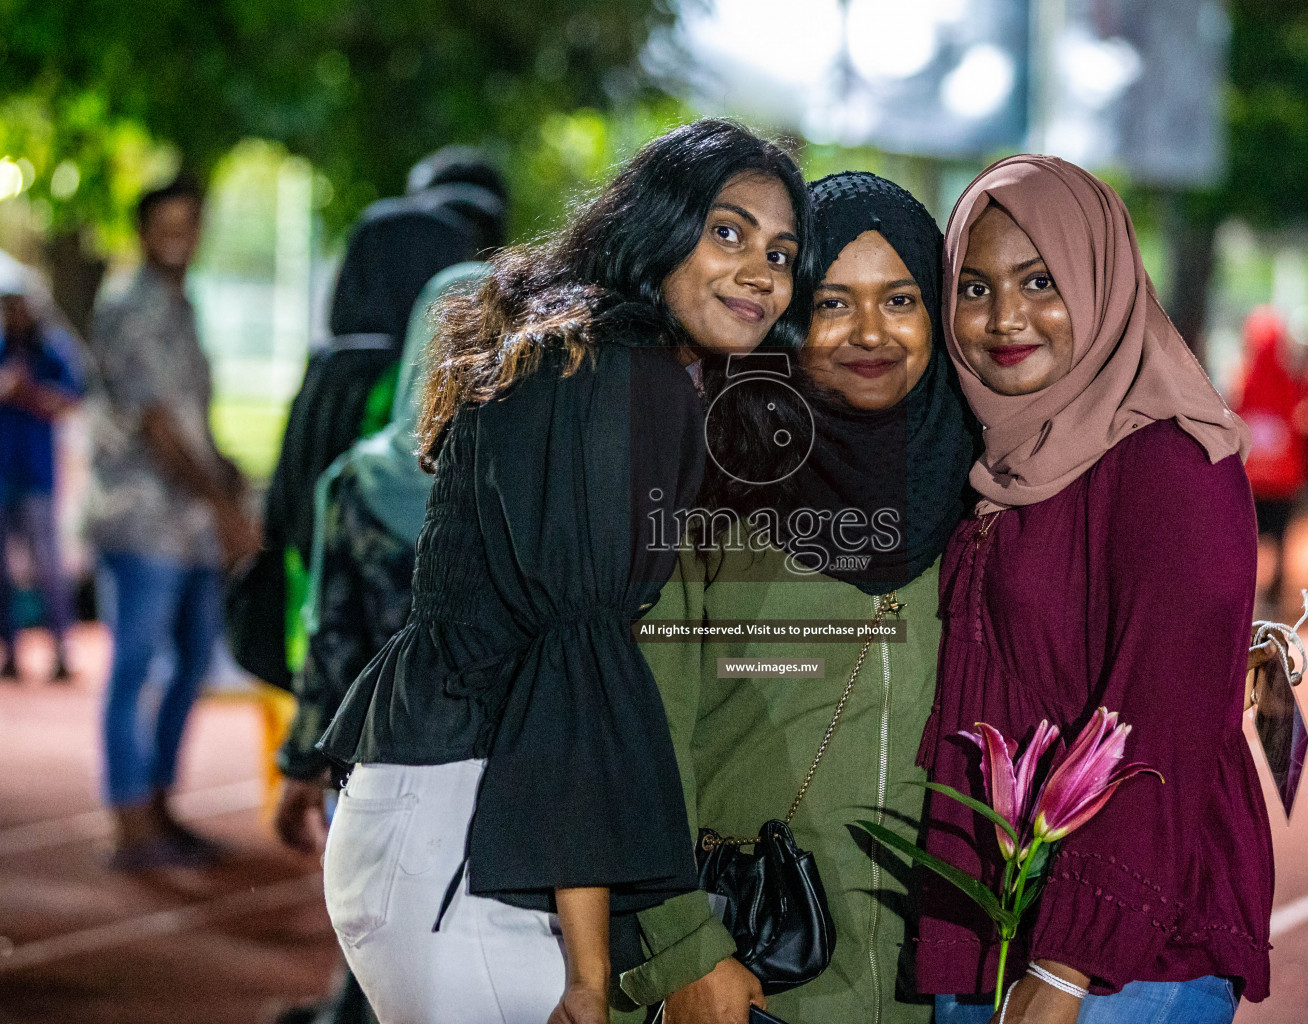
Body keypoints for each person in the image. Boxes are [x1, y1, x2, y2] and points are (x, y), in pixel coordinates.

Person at [315, 119, 813, 1024]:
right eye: (728, 232)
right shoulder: (625, 370)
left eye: (780, 253)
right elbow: (577, 660)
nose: (760, 273)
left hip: (438, 815)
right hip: (467, 841)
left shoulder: (587, 346)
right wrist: (589, 975)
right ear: (660, 225)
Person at [916, 156, 1269, 1024]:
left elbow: (1163, 728)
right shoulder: (998, 462)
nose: (1006, 317)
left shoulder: (1172, 466)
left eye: (1043, 281)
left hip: (1124, 965)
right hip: (996, 932)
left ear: (1102, 277)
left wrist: (1072, 963)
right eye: (975, 286)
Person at [618, 172, 974, 1024]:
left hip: (924, 990)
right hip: (744, 975)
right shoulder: (708, 491)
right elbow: (639, 735)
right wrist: (683, 951)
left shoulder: (984, 500)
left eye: (901, 300)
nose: (870, 334)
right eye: (831, 303)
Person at [272, 262, 487, 1024]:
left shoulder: (357, 484)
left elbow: (331, 641)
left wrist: (302, 765)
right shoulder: (519, 487)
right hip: (490, 762)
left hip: (377, 760)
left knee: (377, 931)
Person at [229, 186, 480, 691]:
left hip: (318, 615)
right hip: (402, 640)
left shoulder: (326, 368)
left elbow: (285, 500)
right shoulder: (421, 376)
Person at [85, 176, 262, 869]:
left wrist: (227, 471)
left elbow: (188, 415)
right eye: (166, 222)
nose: (179, 234)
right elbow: (156, 422)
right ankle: (129, 820)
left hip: (186, 521)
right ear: (141, 228)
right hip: (140, 519)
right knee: (136, 663)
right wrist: (223, 509)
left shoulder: (181, 304)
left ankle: (159, 805)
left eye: (190, 221)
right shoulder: (130, 305)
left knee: (191, 660)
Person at [0, 267, 85, 682]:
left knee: (48, 566)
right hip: (4, 472)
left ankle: (60, 648)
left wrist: (28, 392)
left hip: (36, 473)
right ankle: (11, 651)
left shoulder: (50, 349)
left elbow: (72, 399)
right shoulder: (2, 348)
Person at [1233, 307, 1308, 618]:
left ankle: (1249, 594)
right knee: (1279, 537)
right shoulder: (1289, 382)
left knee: (1248, 540)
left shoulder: (1241, 379)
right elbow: (1300, 424)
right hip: (1282, 478)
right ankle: (1275, 591)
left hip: (1250, 479)